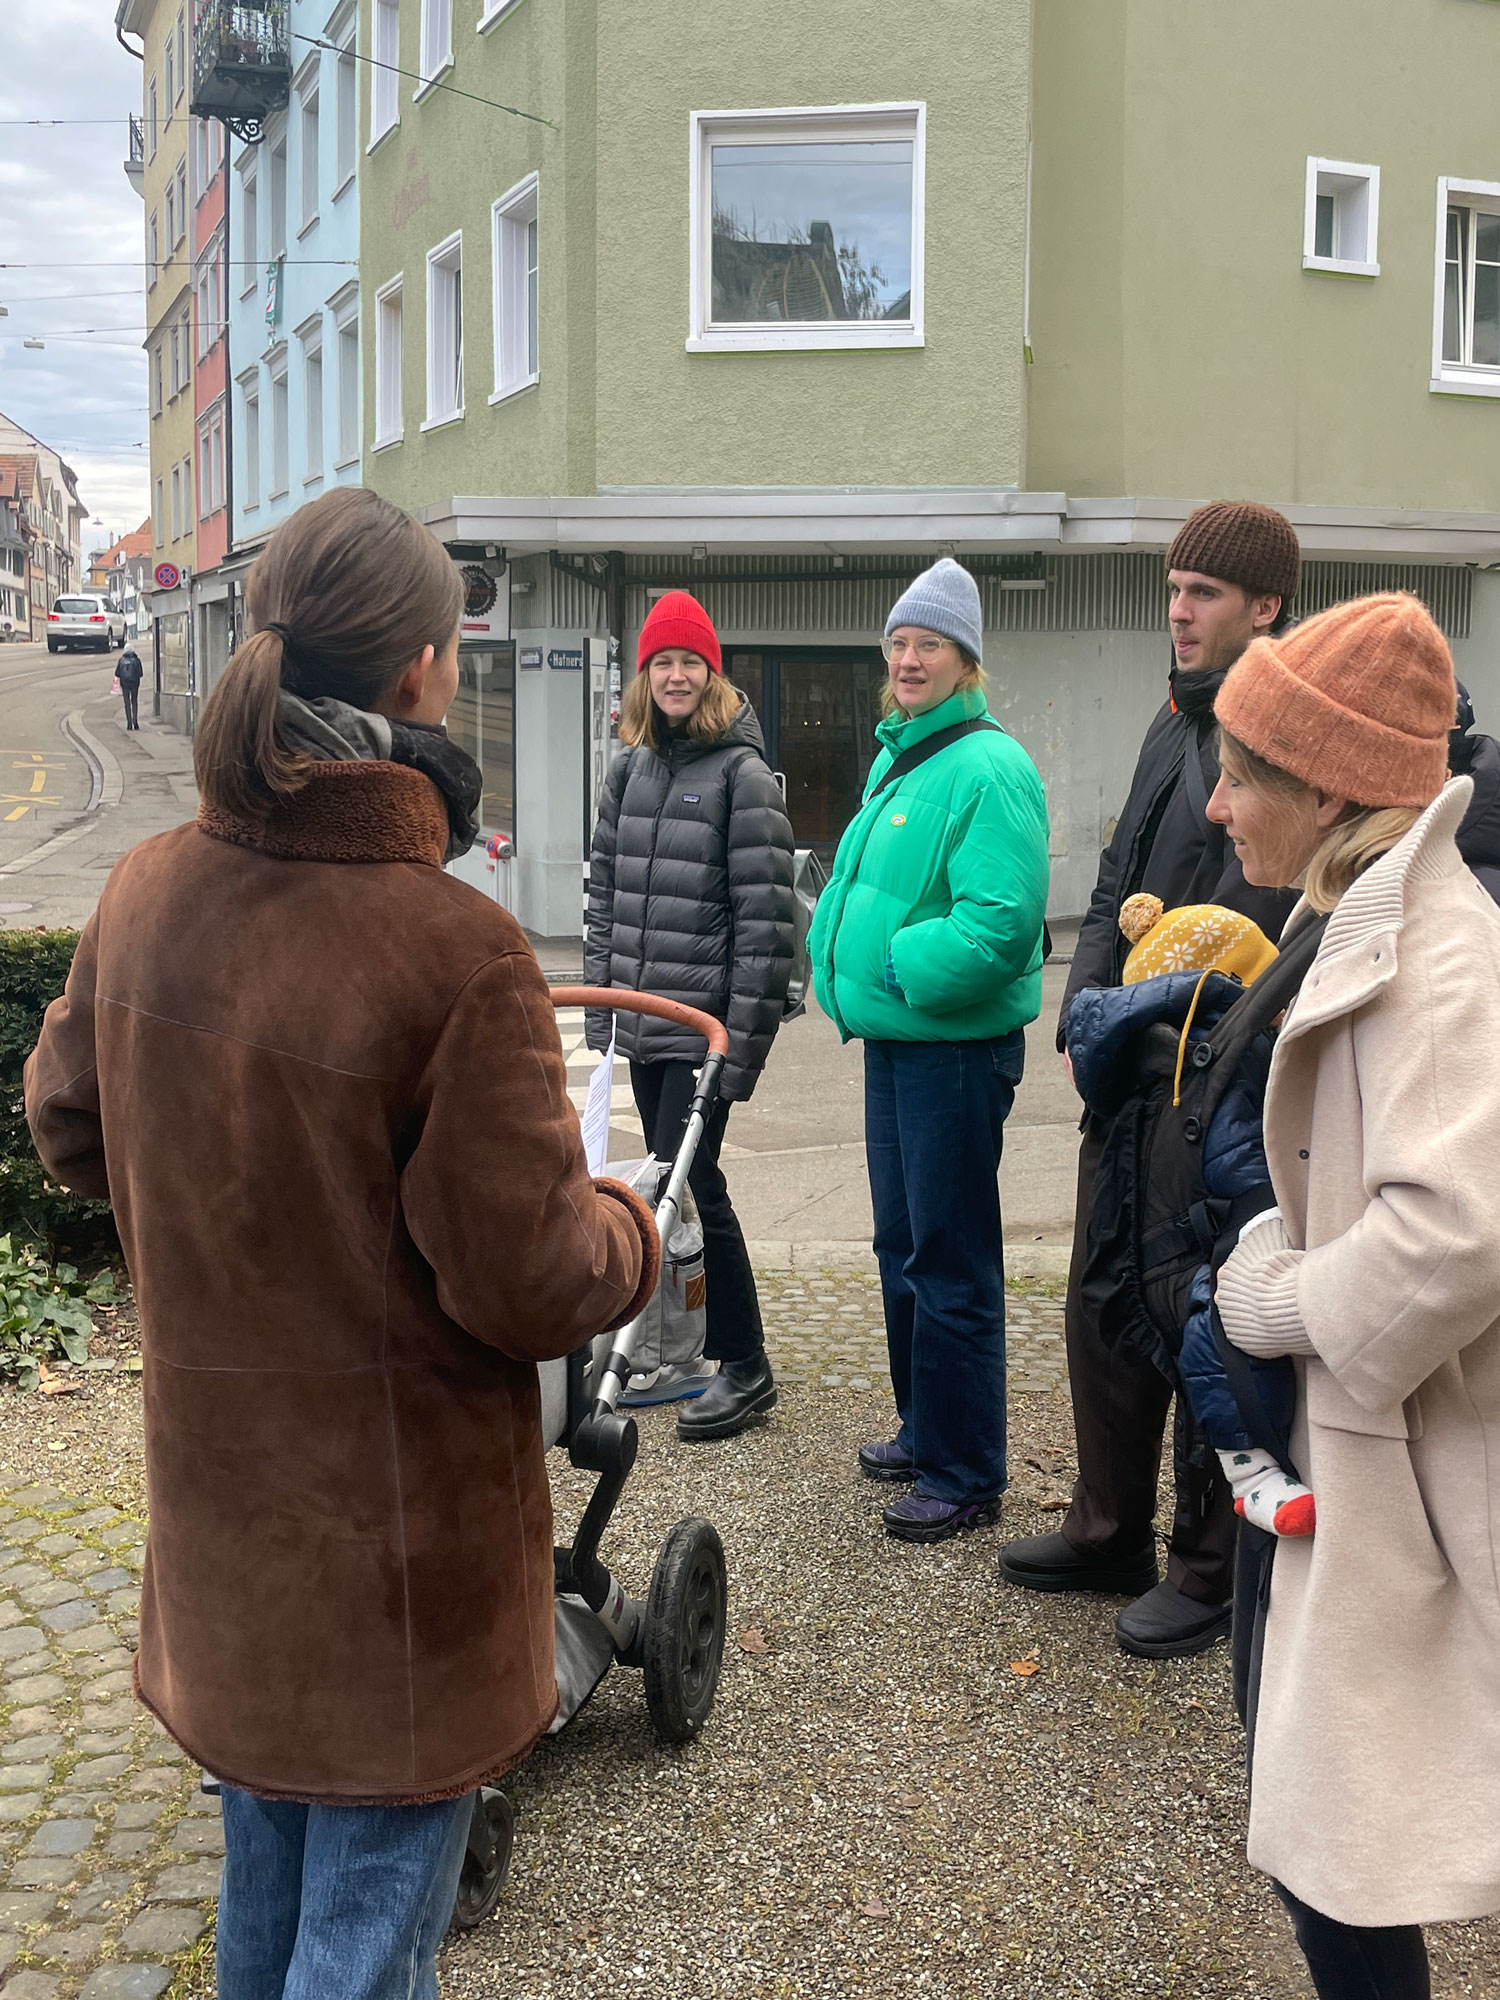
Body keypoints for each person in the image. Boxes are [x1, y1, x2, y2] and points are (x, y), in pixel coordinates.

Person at [24, 488, 659, 2000]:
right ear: (427, 674)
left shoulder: (143, 891)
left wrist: (209, 1231)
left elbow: (64, 1122)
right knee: (362, 1952)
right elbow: (531, 1278)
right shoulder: (453, 950)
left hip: (230, 1532)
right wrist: (631, 1225)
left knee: (270, 1904)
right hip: (399, 1573)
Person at [1205, 591, 1500, 1999]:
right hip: (1370, 1462)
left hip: (1421, 1476)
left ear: (1326, 786)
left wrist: (1276, 1297)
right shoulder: (1379, 919)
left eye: (1238, 774)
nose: (1215, 806)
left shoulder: (1440, 955)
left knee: (1343, 1841)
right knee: (1329, 1824)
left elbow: (1453, 1235)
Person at [1001, 500, 1303, 1656]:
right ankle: (1106, 1524)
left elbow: (1263, 926)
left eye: (1205, 592)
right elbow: (1110, 882)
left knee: (1200, 1316)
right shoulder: (1164, 725)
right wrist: (1086, 1015)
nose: (1178, 608)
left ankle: (1210, 1563)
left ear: (1264, 606)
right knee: (1101, 1301)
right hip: (1128, 1072)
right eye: (1173, 586)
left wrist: (1178, 1034)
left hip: (1216, 1084)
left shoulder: (1276, 736)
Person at [810, 558, 1050, 1543]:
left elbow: (1003, 921)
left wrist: (901, 968)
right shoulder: (904, 754)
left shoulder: (991, 767)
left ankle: (964, 1468)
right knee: (901, 1246)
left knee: (949, 1259)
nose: (910, 659)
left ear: (967, 661)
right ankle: (925, 1428)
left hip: (951, 1051)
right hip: (899, 1047)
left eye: (930, 645)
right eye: (900, 643)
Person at [585, 589, 794, 1441]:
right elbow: (603, 890)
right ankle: (678, 1348)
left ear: (713, 674)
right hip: (643, 1019)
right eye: (662, 661)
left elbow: (768, 925)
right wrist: (602, 1009)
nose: (675, 674)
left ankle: (744, 1365)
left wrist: (737, 1051)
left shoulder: (743, 777)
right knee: (675, 1189)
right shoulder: (628, 771)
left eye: (690, 662)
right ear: (645, 676)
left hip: (703, 1030)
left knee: (692, 1185)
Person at [116, 642, 144, 729]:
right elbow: (140, 673)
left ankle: (129, 723)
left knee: (127, 702)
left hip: (124, 683)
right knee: (134, 701)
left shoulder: (121, 660)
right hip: (135, 683)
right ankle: (135, 721)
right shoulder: (137, 660)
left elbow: (117, 673)